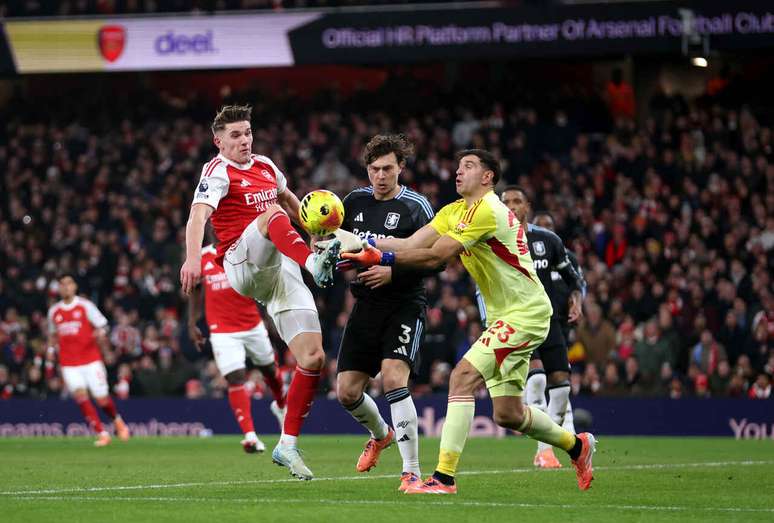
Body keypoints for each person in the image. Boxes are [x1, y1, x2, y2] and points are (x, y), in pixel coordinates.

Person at [342, 149, 596, 494]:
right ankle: (578, 446)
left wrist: (384, 258)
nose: (458, 172)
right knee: (508, 414)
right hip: (505, 316)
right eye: (459, 166)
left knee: (461, 378)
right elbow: (410, 242)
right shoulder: (454, 211)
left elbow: (436, 255)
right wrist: (357, 243)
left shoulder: (488, 210)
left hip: (526, 312)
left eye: (469, 166)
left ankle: (443, 478)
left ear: (488, 177)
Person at [179, 104, 341, 480]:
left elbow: (291, 202)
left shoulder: (266, 166)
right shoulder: (217, 171)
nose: (244, 141)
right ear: (218, 142)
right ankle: (314, 264)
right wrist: (192, 259)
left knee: (313, 357)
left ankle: (287, 444)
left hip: (278, 269)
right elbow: (197, 216)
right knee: (271, 216)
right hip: (240, 262)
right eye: (235, 135)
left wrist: (315, 232)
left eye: (248, 133)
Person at [333, 134, 435, 492]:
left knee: (393, 378)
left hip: (404, 304)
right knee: (346, 393)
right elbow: (341, 246)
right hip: (365, 306)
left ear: (401, 167)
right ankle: (381, 435)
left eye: (388, 168)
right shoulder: (353, 202)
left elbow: (436, 259)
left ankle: (411, 472)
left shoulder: (416, 206)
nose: (380, 176)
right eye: (374, 169)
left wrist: (394, 272)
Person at [499, 187, 585, 468]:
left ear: (528, 206)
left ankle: (550, 447)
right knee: (536, 379)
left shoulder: (548, 241)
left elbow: (572, 278)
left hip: (548, 320)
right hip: (515, 322)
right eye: (506, 202)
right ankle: (544, 450)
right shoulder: (492, 240)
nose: (511, 206)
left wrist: (576, 301)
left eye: (517, 201)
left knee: (561, 386)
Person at [187, 243, 287, 454]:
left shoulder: (244, 248)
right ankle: (250, 436)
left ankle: (280, 404)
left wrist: (270, 315)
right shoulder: (203, 256)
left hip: (252, 324)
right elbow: (195, 289)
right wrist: (192, 322)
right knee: (235, 377)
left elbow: (262, 280)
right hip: (222, 330)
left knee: (270, 370)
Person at [47, 274, 130, 447]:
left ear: (74, 287)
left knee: (102, 399)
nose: (65, 287)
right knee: (80, 395)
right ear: (59, 288)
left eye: (69, 283)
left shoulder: (85, 306)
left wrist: (100, 333)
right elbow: (52, 336)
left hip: (91, 360)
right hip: (69, 363)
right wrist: (49, 355)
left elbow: (103, 325)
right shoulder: (54, 312)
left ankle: (117, 420)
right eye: (62, 284)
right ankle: (102, 433)